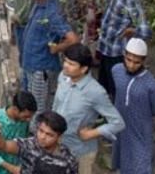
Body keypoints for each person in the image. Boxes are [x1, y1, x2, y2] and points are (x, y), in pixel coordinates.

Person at [52, 44, 124, 174]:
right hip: (57, 145)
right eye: (65, 61)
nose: (65, 66)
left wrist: (92, 133)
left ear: (84, 69)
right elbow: (56, 105)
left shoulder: (95, 92)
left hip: (80, 151)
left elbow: (118, 123)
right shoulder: (63, 77)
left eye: (71, 64)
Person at [18, 0, 77, 114]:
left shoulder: (52, 14)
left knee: (37, 107)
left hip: (40, 68)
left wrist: (57, 48)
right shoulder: (38, 5)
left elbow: (73, 39)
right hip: (30, 63)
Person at [95, 0, 151, 98]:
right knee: (103, 88)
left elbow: (145, 30)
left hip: (117, 53)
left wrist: (131, 31)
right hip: (105, 48)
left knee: (117, 91)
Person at [109, 38, 155, 174]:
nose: (132, 65)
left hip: (140, 131)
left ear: (144, 61)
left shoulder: (151, 85)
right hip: (120, 127)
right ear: (124, 56)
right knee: (120, 158)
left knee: (141, 164)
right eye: (128, 60)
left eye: (137, 62)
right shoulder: (116, 71)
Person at [0, 111, 78, 174]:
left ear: (59, 137)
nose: (43, 137)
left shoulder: (68, 160)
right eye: (41, 131)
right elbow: (3, 146)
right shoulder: (29, 145)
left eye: (49, 135)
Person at [0, 92, 37, 174]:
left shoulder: (24, 122)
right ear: (15, 109)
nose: (29, 120)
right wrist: (12, 168)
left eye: (30, 117)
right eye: (26, 116)